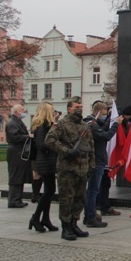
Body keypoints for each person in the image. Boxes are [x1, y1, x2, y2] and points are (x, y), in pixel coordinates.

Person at [45, 97, 95, 241]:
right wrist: (66, 151)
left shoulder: (85, 126)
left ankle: (74, 223)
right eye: (76, 106)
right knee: (67, 198)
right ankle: (66, 226)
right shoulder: (61, 124)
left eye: (81, 106)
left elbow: (90, 146)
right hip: (67, 168)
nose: (79, 108)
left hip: (83, 167)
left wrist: (91, 164)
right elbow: (50, 140)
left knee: (80, 198)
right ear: (69, 109)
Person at [83, 102, 121, 228]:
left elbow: (102, 130)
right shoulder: (91, 124)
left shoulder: (94, 123)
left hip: (98, 159)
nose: (104, 116)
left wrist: (110, 120)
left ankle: (88, 215)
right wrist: (115, 125)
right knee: (93, 191)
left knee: (92, 190)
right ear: (96, 113)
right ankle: (90, 217)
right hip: (96, 161)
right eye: (104, 114)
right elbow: (105, 136)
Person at [98, 105, 131, 218]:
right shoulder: (113, 122)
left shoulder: (118, 122)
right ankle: (100, 207)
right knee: (101, 184)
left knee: (104, 184)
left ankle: (103, 206)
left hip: (105, 157)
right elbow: (106, 136)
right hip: (104, 157)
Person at [29, 103, 59, 232]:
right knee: (49, 191)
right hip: (45, 161)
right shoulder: (41, 127)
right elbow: (42, 145)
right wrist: (55, 145)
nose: (54, 112)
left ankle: (45, 219)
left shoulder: (46, 126)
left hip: (49, 161)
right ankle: (36, 217)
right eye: (52, 111)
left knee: (50, 191)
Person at [5, 104, 32, 208]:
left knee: (19, 175)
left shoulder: (16, 121)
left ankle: (17, 199)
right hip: (15, 151)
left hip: (19, 151)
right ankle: (14, 200)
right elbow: (14, 137)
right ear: (16, 112)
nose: (24, 111)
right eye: (22, 110)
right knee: (16, 175)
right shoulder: (12, 123)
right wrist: (28, 136)